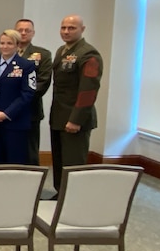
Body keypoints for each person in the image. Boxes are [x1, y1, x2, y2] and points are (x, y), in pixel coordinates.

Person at [50, 15, 103, 191]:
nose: (66, 31)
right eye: (63, 27)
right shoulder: (62, 51)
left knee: (73, 164)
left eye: (71, 28)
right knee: (59, 161)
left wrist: (76, 120)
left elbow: (88, 91)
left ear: (82, 29)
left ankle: (73, 199)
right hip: (59, 116)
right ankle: (60, 194)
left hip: (75, 119)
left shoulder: (88, 53)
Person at [0, 29, 36, 165]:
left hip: (15, 122)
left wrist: (6, 114)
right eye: (2, 43)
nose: (5, 46)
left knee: (14, 160)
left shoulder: (26, 66)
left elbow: (27, 94)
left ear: (17, 45)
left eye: (9, 43)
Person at [15, 19, 53, 166]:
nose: (23, 33)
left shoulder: (43, 54)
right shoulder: (4, 52)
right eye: (20, 30)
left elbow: (42, 82)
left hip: (29, 110)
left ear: (33, 33)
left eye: (27, 30)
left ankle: (32, 185)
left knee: (29, 150)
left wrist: (18, 101)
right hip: (5, 110)